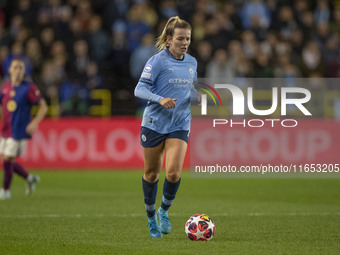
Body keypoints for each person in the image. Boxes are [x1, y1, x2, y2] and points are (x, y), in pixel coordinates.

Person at [134, 16, 198, 238]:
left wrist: (197, 97)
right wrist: (160, 99)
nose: (185, 43)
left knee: (173, 172)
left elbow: (191, 90)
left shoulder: (192, 63)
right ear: (169, 39)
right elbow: (139, 89)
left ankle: (164, 211)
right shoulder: (157, 61)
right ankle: (151, 217)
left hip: (180, 123)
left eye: (188, 39)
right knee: (152, 174)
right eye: (180, 38)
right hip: (154, 123)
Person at [0, 58, 48, 200]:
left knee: (8, 159)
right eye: (15, 68)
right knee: (6, 160)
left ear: (24, 71)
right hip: (6, 129)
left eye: (21, 68)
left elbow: (43, 106)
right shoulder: (4, 87)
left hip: (19, 130)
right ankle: (29, 178)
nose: (18, 71)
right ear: (10, 70)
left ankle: (5, 191)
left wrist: (35, 122)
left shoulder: (29, 87)